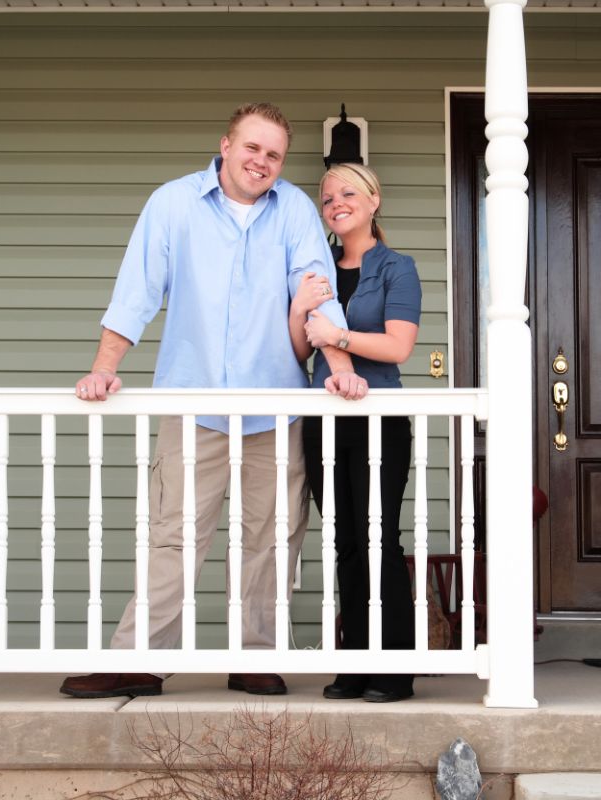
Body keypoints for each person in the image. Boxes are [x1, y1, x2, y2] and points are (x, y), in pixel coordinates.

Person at [59, 103, 369, 700]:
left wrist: (341, 370)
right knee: (173, 536)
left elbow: (319, 296)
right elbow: (135, 293)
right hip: (192, 404)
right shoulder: (173, 205)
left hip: (275, 409)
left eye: (274, 155)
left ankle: (254, 656)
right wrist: (102, 371)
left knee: (272, 539)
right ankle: (138, 661)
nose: (262, 162)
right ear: (225, 145)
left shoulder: (297, 212)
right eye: (253, 148)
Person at [291, 163, 421, 703]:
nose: (336, 203)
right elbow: (300, 353)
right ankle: (355, 662)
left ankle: (393, 669)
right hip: (325, 423)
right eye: (326, 198)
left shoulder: (397, 267)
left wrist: (337, 333)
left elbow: (398, 348)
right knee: (344, 542)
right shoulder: (313, 271)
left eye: (348, 193)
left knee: (379, 538)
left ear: (373, 202)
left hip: (379, 420)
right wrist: (302, 313)